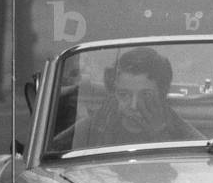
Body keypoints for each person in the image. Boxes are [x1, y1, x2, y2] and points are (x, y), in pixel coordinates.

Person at [53, 46, 202, 150]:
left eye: (146, 95)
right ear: (114, 93)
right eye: (124, 94)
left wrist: (160, 135)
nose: (134, 105)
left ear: (162, 95)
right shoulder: (87, 131)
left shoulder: (187, 138)